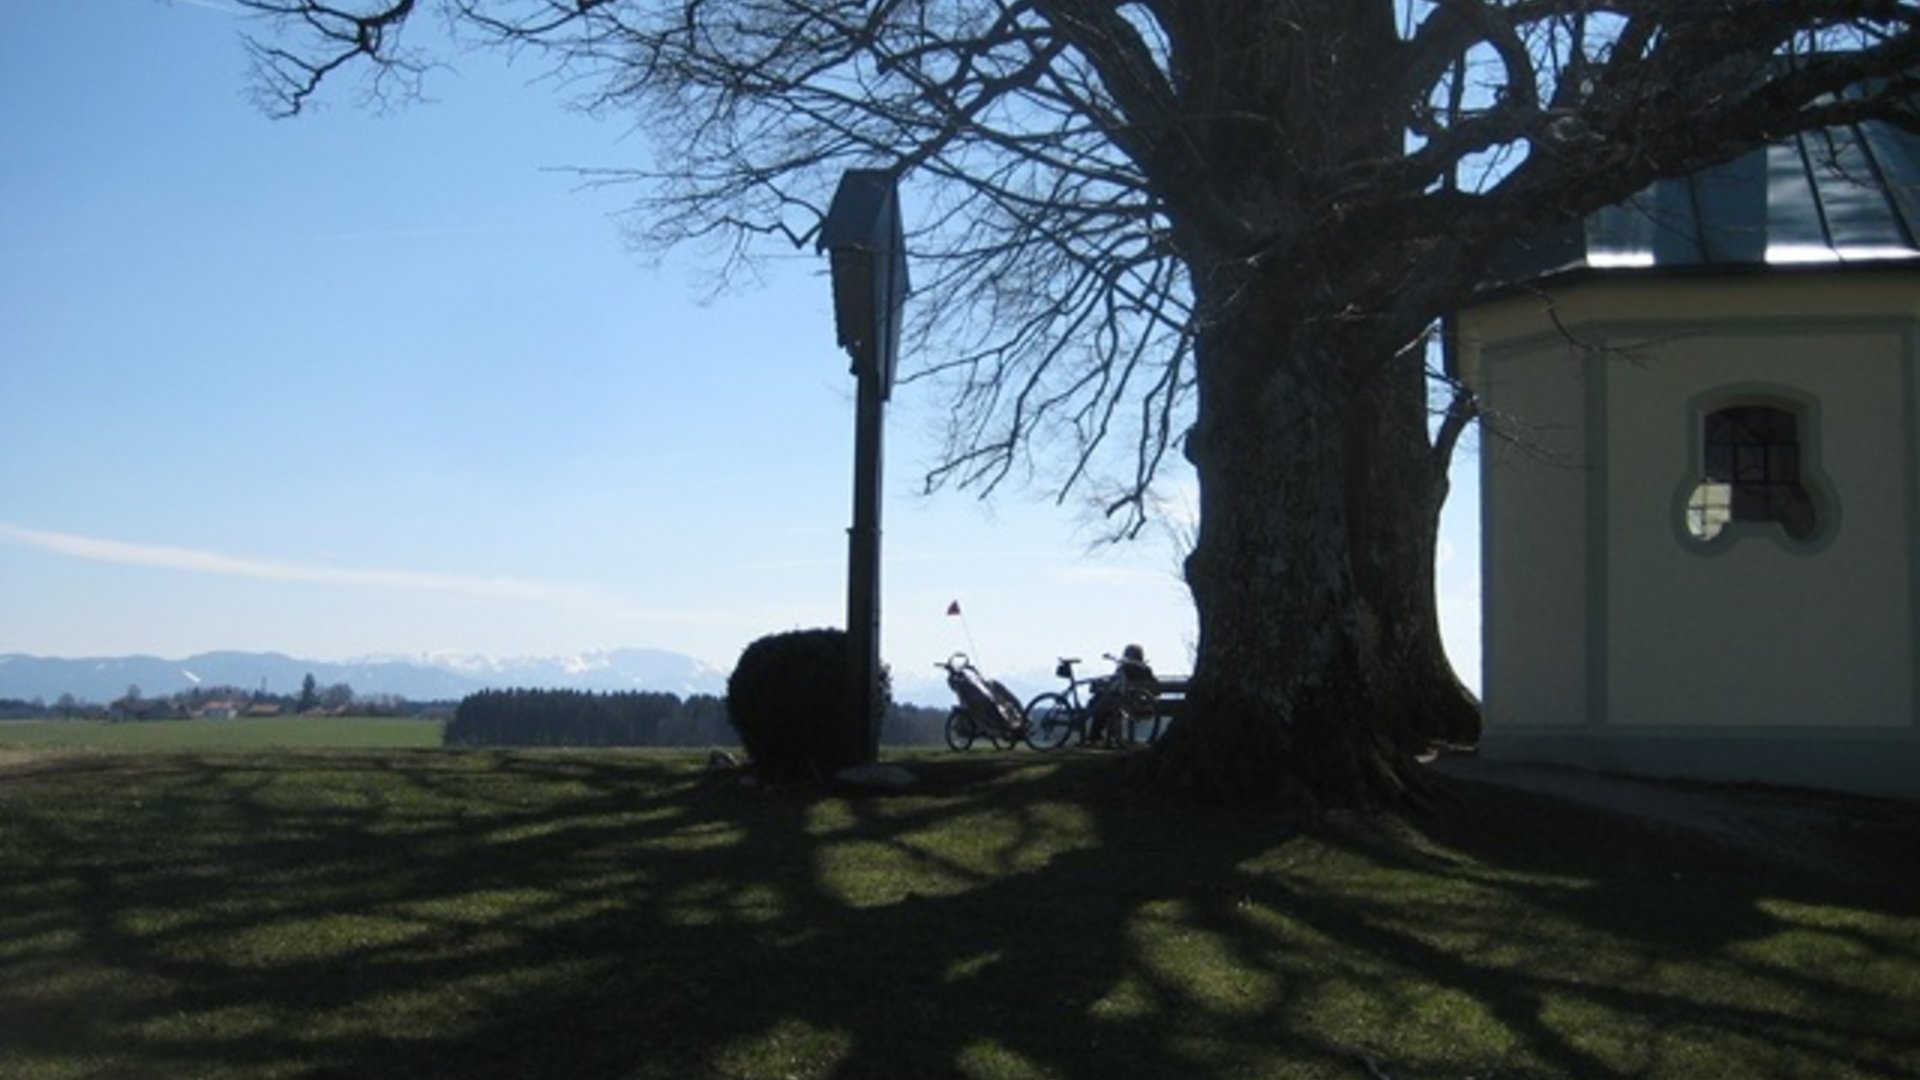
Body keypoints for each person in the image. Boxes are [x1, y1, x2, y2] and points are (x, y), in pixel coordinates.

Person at [1087, 643, 1158, 747]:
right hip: (1144, 704)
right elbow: (1156, 688)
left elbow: (1114, 684)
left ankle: (1095, 735)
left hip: (1125, 703)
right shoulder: (1146, 669)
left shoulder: (1125, 667)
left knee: (1100, 703)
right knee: (1106, 703)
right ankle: (1104, 737)